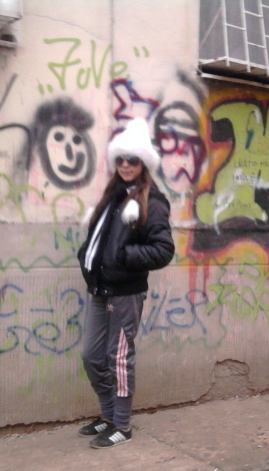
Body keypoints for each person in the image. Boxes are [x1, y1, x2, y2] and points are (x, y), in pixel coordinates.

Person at [76, 117, 175, 449]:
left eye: (133, 159)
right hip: (100, 289)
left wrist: (124, 256)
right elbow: (98, 240)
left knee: (118, 358)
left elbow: (163, 250)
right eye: (120, 158)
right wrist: (86, 255)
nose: (126, 164)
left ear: (143, 163)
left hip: (125, 293)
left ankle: (121, 424)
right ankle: (108, 415)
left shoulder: (152, 201)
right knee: (92, 357)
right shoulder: (113, 196)